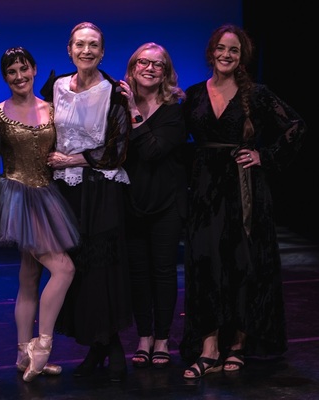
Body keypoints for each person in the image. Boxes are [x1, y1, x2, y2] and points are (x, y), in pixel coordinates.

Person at [178, 24, 307, 379]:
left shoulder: (257, 94)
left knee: (241, 265)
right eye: (221, 48)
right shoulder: (192, 95)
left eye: (233, 50)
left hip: (244, 188)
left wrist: (265, 156)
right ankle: (208, 347)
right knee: (205, 265)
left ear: (242, 56)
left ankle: (236, 345)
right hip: (205, 192)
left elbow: (296, 126)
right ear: (211, 51)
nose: (226, 55)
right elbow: (178, 139)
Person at [41, 21, 133, 382]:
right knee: (74, 269)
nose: (86, 50)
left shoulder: (114, 92)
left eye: (93, 45)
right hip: (65, 191)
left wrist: (73, 159)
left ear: (103, 51)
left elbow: (119, 149)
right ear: (69, 49)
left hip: (100, 189)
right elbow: (42, 130)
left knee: (101, 269)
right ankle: (99, 346)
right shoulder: (56, 86)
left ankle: (109, 345)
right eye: (79, 44)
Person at [0, 47, 79, 382]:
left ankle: (22, 353)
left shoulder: (52, 110)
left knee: (30, 275)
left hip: (47, 195)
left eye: (24, 69)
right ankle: (41, 346)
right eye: (11, 72)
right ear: (5, 76)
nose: (19, 77)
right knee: (63, 268)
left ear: (34, 70)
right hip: (16, 196)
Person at [121, 42, 187, 369]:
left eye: (157, 64)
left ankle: (162, 338)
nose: (149, 68)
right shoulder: (118, 105)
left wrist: (134, 109)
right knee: (137, 274)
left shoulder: (176, 107)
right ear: (133, 68)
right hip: (132, 202)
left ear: (165, 72)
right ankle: (144, 336)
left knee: (162, 272)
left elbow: (153, 151)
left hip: (166, 203)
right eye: (143, 63)